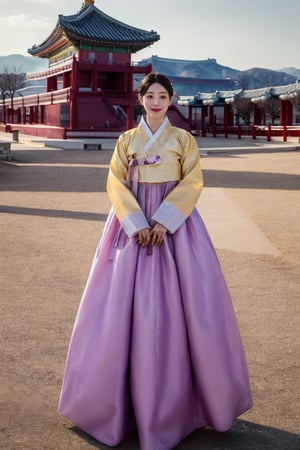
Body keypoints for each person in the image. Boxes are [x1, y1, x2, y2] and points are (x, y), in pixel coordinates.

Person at [58, 72, 253, 450]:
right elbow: (116, 183)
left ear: (172, 99)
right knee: (116, 313)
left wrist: (163, 222)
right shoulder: (126, 141)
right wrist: (134, 224)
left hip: (175, 230)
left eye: (164, 96)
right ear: (141, 98)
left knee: (184, 312)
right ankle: (118, 407)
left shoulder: (183, 140)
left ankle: (180, 409)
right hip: (130, 228)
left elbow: (192, 182)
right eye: (151, 96)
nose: (157, 102)